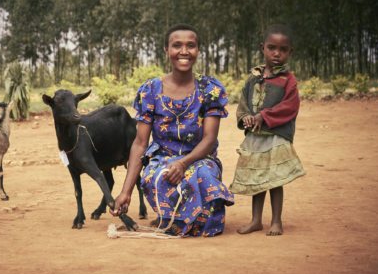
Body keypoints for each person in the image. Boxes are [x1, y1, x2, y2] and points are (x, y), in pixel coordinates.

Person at [110, 24, 234, 237]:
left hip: (199, 158)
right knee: (157, 175)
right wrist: (125, 192)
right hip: (162, 159)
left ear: (198, 50)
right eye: (177, 45)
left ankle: (196, 221)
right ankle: (171, 219)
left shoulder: (210, 89)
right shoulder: (150, 90)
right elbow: (140, 143)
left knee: (203, 173)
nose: (184, 51)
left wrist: (184, 163)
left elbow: (210, 139)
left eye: (191, 46)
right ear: (166, 50)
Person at [230, 24, 306, 236]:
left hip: (275, 138)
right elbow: (243, 103)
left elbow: (290, 106)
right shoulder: (254, 77)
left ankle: (276, 221)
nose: (276, 53)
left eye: (283, 50)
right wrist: (245, 118)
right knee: (257, 179)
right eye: (272, 48)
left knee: (274, 180)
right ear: (262, 48)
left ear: (290, 52)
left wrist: (263, 116)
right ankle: (255, 220)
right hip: (256, 138)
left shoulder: (288, 80)